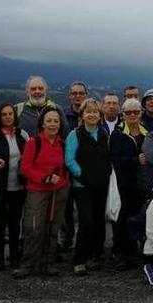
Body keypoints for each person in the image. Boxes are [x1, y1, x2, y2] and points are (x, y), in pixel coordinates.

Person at [13, 107, 69, 278]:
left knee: (53, 227)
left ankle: (48, 263)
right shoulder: (33, 142)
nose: (53, 124)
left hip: (59, 190)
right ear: (42, 123)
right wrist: (44, 178)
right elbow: (25, 168)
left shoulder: (62, 143)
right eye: (49, 121)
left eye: (56, 121)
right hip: (37, 191)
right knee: (34, 228)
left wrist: (62, 181)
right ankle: (28, 264)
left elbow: (65, 167)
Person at [65, 99, 111, 276]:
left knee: (99, 221)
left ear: (100, 116)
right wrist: (82, 175)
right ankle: (79, 260)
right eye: (88, 112)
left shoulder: (104, 133)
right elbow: (69, 159)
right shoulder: (74, 135)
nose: (92, 115)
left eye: (95, 112)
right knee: (86, 222)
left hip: (101, 184)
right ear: (82, 115)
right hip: (82, 185)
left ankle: (96, 256)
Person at [0, 103, 30, 270]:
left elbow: (30, 156)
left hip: (19, 186)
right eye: (4, 114)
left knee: (15, 222)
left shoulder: (22, 134)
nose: (8, 117)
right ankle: (0, 255)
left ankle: (15, 255)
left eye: (10, 114)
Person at [109, 98, 147, 270]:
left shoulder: (147, 132)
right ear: (122, 115)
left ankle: (133, 252)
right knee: (121, 219)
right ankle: (120, 254)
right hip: (123, 183)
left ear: (141, 113)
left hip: (141, 184)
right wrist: (135, 160)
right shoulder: (117, 134)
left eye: (136, 112)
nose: (133, 115)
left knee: (137, 217)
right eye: (128, 112)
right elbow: (115, 159)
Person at [58, 81, 87, 252]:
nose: (77, 96)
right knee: (66, 208)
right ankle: (66, 240)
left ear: (86, 95)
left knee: (84, 209)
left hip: (87, 170)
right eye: (74, 93)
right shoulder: (62, 115)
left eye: (81, 93)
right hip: (66, 169)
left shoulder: (92, 114)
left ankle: (84, 242)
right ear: (70, 96)